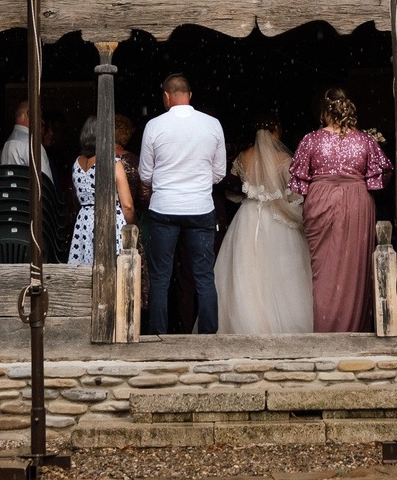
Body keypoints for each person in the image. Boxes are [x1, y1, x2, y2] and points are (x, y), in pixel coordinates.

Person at [290, 87, 389, 333]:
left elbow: (298, 183)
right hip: (357, 200)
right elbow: (381, 176)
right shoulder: (366, 140)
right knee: (354, 267)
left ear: (325, 112)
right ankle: (351, 329)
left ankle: (323, 327)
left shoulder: (311, 139)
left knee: (322, 269)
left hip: (321, 198)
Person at [137, 74, 227, 334]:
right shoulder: (212, 124)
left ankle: (158, 335)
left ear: (166, 96)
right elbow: (219, 172)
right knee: (204, 276)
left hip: (164, 208)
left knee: (161, 277)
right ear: (190, 95)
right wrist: (195, 182)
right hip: (200, 208)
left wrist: (170, 181)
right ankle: (208, 336)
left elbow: (145, 174)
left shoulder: (154, 126)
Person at [214, 118, 314, 334]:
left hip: (248, 215)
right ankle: (289, 322)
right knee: (283, 269)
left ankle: (248, 321)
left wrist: (251, 195)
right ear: (276, 131)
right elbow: (293, 193)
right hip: (278, 216)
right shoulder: (283, 158)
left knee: (247, 268)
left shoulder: (243, 156)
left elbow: (232, 192)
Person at [68, 113, 136, 267]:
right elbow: (127, 205)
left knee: (83, 273)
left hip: (83, 222)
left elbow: (77, 197)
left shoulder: (76, 163)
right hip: (108, 220)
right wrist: (132, 226)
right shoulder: (113, 163)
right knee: (111, 272)